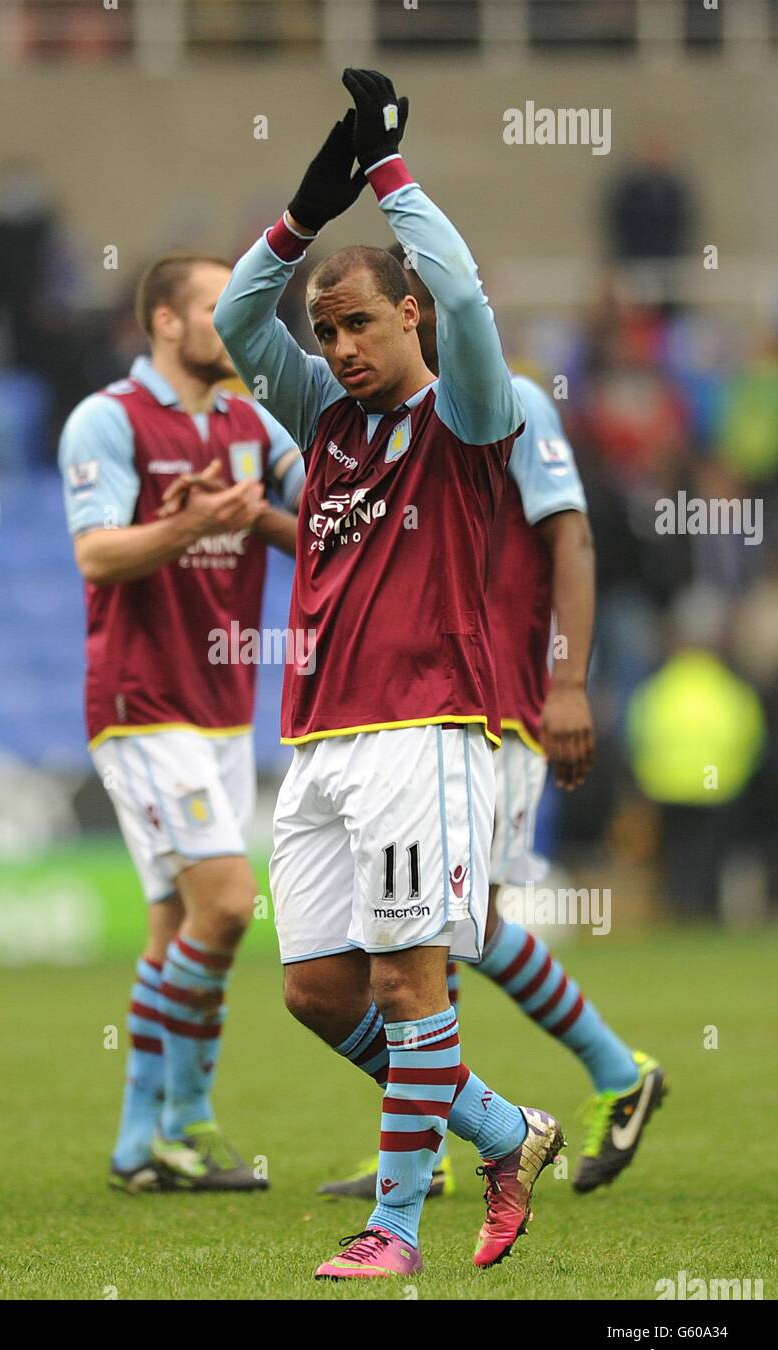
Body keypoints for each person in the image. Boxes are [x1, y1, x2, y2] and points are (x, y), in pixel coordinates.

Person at [213, 69, 562, 1279]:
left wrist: (394, 171)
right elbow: (233, 322)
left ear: (409, 318)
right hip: (316, 737)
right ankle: (505, 1130)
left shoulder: (468, 413)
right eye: (326, 331)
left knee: (412, 980)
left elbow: (462, 287)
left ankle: (396, 1230)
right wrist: (315, 199)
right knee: (318, 989)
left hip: (425, 727)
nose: (338, 346)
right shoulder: (322, 422)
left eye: (359, 321)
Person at [320, 247, 666, 1203]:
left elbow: (572, 536)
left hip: (493, 698)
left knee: (450, 929)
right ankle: (542, 1102)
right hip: (451, 697)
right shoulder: (396, 421)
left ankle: (595, 1081)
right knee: (451, 926)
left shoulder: (514, 402)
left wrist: (566, 683)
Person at [58, 255, 303, 1194]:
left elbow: (313, 515)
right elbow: (94, 554)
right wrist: (192, 528)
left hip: (221, 710)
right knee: (231, 904)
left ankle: (135, 1143)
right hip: (140, 702)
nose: (233, 323)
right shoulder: (108, 419)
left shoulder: (249, 420)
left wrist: (258, 522)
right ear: (164, 320)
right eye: (214, 307)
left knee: (175, 924)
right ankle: (188, 1122)